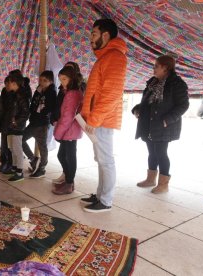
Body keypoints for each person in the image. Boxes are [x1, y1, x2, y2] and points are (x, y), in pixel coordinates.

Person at [80, 19, 128, 213]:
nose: (90, 38)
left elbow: (112, 93)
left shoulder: (115, 57)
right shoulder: (105, 57)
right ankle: (100, 195)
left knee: (106, 160)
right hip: (99, 119)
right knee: (101, 159)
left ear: (106, 35)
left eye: (94, 34)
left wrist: (94, 118)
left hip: (103, 120)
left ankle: (106, 201)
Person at [132, 55, 189, 194]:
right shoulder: (153, 81)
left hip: (163, 126)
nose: (154, 69)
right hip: (149, 124)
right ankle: (150, 179)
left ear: (166, 67)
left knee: (161, 152)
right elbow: (147, 102)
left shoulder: (176, 83)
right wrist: (137, 109)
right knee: (151, 151)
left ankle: (163, 184)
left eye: (156, 66)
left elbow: (183, 105)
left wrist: (167, 120)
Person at [51, 61, 86, 184]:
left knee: (69, 156)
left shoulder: (73, 93)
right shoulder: (67, 91)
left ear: (73, 76)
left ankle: (69, 182)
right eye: (61, 79)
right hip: (66, 129)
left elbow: (68, 116)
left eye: (64, 79)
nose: (62, 82)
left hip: (69, 129)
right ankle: (68, 179)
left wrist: (58, 133)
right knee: (63, 155)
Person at [22, 70, 57, 178]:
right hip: (33, 122)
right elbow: (33, 103)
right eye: (40, 80)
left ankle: (42, 168)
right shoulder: (39, 89)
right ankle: (33, 159)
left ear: (50, 81)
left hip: (42, 124)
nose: (41, 82)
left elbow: (50, 109)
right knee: (20, 139)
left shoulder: (51, 92)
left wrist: (44, 115)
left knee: (42, 147)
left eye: (45, 80)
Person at [3, 74, 30, 182]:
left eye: (9, 82)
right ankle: (14, 168)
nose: (8, 84)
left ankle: (19, 172)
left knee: (18, 149)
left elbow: (26, 113)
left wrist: (16, 121)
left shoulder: (22, 96)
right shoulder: (14, 94)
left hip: (18, 127)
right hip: (12, 125)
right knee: (12, 148)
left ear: (14, 83)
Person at [0, 76, 14, 173]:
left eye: (9, 83)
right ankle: (4, 162)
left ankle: (10, 164)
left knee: (10, 146)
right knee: (3, 145)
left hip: (12, 123)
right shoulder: (4, 91)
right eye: (6, 83)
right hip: (4, 121)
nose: (7, 85)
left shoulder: (16, 93)